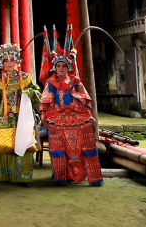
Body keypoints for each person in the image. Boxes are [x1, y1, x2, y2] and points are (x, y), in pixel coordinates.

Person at [38, 25, 103, 187]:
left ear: (68, 68)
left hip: (76, 115)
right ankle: (61, 176)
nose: (61, 69)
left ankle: (92, 176)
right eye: (58, 66)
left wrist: (88, 115)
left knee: (86, 146)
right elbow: (46, 100)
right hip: (56, 116)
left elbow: (84, 100)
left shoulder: (75, 81)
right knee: (58, 148)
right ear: (55, 67)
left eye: (64, 66)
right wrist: (44, 115)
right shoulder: (50, 82)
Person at [0, 43, 41, 187]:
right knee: (2, 144)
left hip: (22, 117)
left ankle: (23, 177)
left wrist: (27, 92)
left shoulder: (26, 78)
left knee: (23, 144)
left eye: (12, 60)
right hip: (2, 118)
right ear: (1, 62)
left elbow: (37, 94)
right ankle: (2, 175)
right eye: (5, 60)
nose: (9, 63)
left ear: (17, 60)